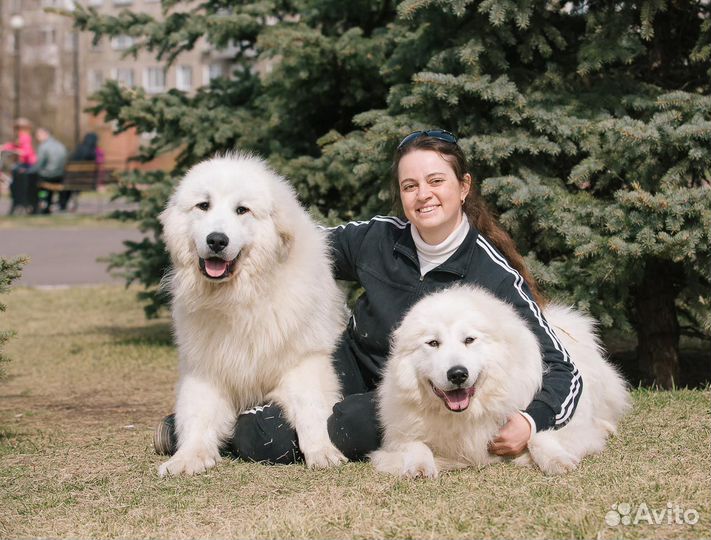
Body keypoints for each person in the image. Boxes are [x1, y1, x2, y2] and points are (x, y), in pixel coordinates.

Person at [154, 130, 582, 463]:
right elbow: (307, 245)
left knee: (333, 428)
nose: (424, 194)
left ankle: (219, 429)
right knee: (264, 434)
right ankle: (203, 426)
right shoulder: (378, 237)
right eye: (411, 184)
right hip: (353, 362)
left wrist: (531, 421)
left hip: (411, 392)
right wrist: (256, 230)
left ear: (463, 186)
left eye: (436, 181)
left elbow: (563, 367)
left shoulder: (493, 273)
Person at [1, 118, 38, 214]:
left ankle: (19, 201)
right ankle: (18, 200)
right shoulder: (22, 137)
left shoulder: (25, 137)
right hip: (25, 165)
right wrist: (5, 147)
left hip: (28, 165)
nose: (17, 130)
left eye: (19, 128)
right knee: (14, 173)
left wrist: (15, 151)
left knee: (16, 176)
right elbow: (14, 145)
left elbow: (26, 152)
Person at [31, 127, 68, 214]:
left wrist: (29, 170)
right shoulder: (60, 145)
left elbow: (38, 165)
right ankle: (47, 203)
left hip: (48, 176)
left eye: (38, 135)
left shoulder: (43, 146)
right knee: (45, 185)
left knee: (35, 183)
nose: (37, 137)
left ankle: (42, 201)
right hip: (61, 176)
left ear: (45, 134)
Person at [62, 132, 100, 211]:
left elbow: (69, 161)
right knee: (73, 183)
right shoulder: (93, 153)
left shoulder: (79, 149)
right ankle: (69, 201)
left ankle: (63, 204)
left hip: (72, 180)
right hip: (87, 181)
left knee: (66, 182)